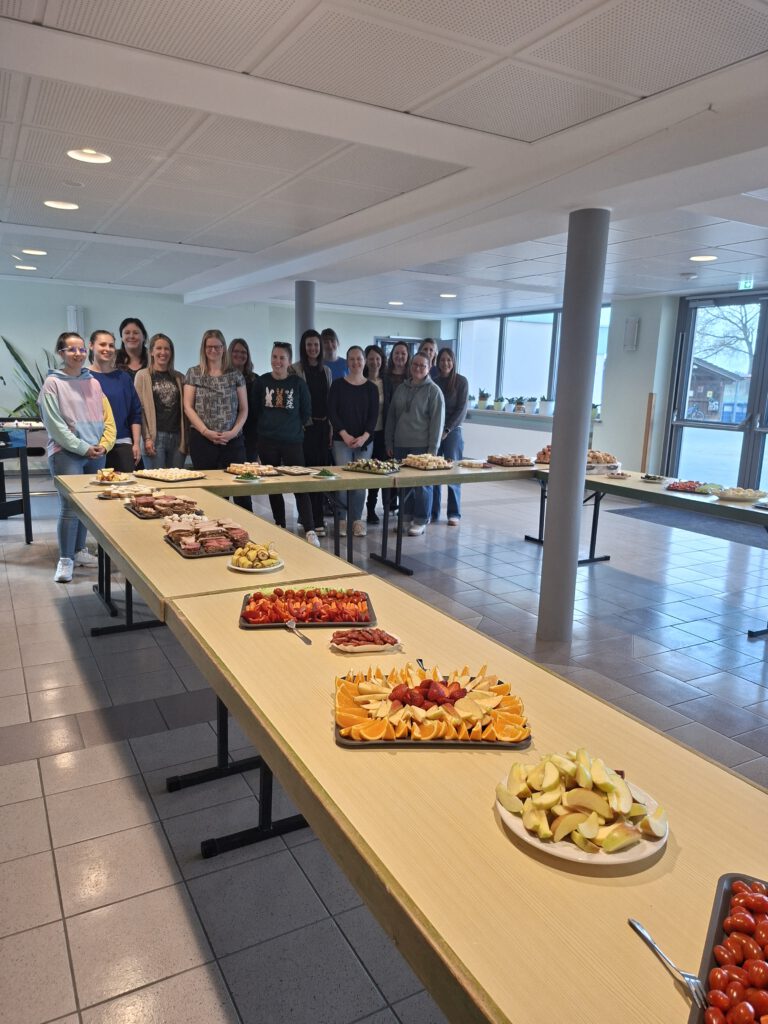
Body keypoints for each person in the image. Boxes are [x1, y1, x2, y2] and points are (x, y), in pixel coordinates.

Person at [38, 332, 116, 582]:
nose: (78, 354)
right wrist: (83, 448)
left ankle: (80, 551)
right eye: (72, 349)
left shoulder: (93, 382)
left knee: (87, 506)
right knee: (70, 508)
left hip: (96, 454)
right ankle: (65, 560)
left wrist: (104, 445)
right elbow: (55, 427)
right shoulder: (52, 384)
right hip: (67, 454)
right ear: (61, 352)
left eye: (82, 349)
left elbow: (108, 419)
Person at [252, 342, 319, 545]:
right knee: (274, 485)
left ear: (289, 362)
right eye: (274, 357)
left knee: (300, 484)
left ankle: (310, 528)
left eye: (282, 358)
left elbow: (306, 412)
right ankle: (279, 524)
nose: (277, 361)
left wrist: (292, 427)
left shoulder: (297, 384)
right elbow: (255, 410)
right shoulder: (262, 382)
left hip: (292, 441)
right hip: (267, 441)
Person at [385, 351, 444, 536]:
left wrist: (432, 450)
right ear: (410, 366)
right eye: (415, 364)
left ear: (429, 368)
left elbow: (437, 423)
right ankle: (406, 517)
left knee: (422, 485)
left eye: (422, 365)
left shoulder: (434, 391)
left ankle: (420, 520)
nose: (418, 368)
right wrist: (389, 441)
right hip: (401, 444)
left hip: (422, 447)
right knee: (404, 484)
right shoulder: (401, 388)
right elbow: (391, 417)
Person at [328, 346, 379, 537]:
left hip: (364, 442)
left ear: (364, 361)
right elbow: (332, 412)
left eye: (359, 359)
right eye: (352, 359)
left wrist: (364, 437)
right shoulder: (337, 385)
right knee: (342, 481)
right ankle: (341, 520)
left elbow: (373, 416)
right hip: (342, 440)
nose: (356, 362)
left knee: (359, 482)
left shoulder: (371, 388)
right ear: (347, 361)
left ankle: (357, 520)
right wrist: (345, 435)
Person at [183, 329, 248, 470]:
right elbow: (188, 407)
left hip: (232, 440)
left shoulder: (235, 374)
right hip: (203, 439)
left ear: (223, 348)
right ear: (204, 348)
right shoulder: (194, 373)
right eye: (209, 347)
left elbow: (244, 409)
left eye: (217, 347)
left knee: (237, 481)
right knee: (208, 481)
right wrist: (205, 432)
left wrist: (233, 433)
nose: (213, 350)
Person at [291, 329, 331, 536]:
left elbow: (329, 400)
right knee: (305, 473)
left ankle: (318, 517)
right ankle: (308, 518)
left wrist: (330, 427)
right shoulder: (295, 369)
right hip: (305, 428)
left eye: (316, 344)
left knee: (320, 473)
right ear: (303, 347)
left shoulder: (327, 371)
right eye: (309, 345)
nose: (313, 348)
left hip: (323, 428)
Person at [89, 330, 143, 472]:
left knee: (126, 484)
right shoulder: (83, 377)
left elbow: (135, 413)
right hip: (92, 445)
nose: (107, 349)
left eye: (111, 345)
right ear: (91, 346)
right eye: (102, 344)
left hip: (122, 442)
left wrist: (136, 443)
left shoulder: (123, 378)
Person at [134, 333, 187, 469]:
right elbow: (139, 410)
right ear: (151, 352)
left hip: (177, 438)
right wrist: (147, 438)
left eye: (167, 349)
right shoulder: (142, 376)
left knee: (177, 480)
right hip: (154, 438)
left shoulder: (180, 377)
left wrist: (185, 439)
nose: (163, 352)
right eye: (159, 348)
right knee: (156, 480)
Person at [431, 348, 469, 525]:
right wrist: (436, 431)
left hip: (453, 432)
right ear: (437, 362)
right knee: (434, 472)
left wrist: (446, 430)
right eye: (442, 360)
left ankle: (454, 513)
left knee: (453, 473)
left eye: (449, 360)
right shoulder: (434, 382)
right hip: (435, 431)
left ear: (453, 362)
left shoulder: (461, 382)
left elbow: (462, 410)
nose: (445, 363)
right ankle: (433, 512)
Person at [363, 344, 392, 524]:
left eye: (378, 358)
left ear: (382, 361)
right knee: (367, 473)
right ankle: (367, 508)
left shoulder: (387, 383)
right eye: (371, 358)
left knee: (383, 472)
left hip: (383, 434)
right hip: (365, 435)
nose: (374, 362)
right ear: (366, 360)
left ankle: (379, 509)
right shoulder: (361, 380)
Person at [228, 338, 258, 460]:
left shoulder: (256, 379)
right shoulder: (223, 378)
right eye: (236, 351)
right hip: (229, 432)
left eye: (243, 352)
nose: (239, 355)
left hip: (251, 433)